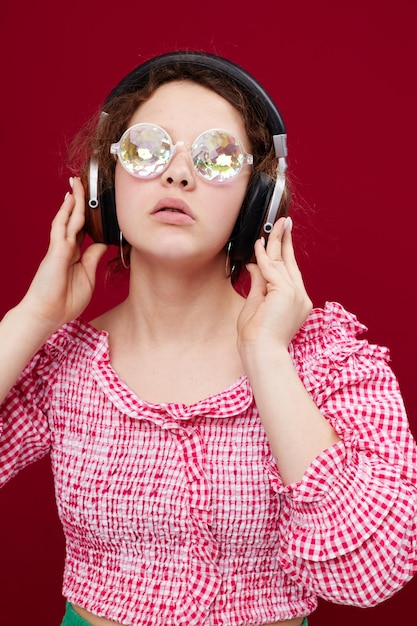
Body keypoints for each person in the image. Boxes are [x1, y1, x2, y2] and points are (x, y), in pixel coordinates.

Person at [0, 50, 416, 626]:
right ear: (104, 183)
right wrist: (31, 318)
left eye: (216, 157)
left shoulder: (328, 360)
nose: (176, 174)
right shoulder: (60, 364)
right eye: (146, 149)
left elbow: (374, 569)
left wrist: (269, 358)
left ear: (256, 203)